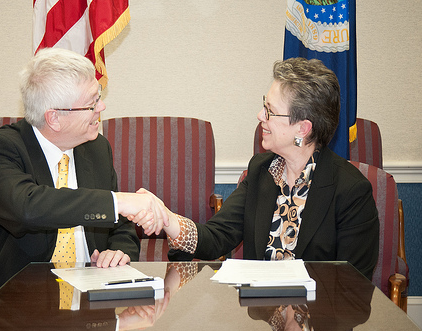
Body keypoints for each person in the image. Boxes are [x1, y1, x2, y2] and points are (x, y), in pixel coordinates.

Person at [0, 48, 168, 321]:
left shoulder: (96, 148)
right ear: (54, 118)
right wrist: (120, 200)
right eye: (92, 103)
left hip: (88, 310)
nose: (101, 108)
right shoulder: (1, 149)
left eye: (99, 97)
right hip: (12, 309)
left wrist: (119, 251)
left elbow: (121, 224)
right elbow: (28, 207)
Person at [132, 57, 379, 280]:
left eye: (270, 111)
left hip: (317, 326)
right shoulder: (262, 170)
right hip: (259, 323)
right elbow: (217, 237)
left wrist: (300, 326)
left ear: (302, 129)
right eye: (264, 105)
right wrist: (165, 217)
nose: (260, 115)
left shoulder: (351, 192)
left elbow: (351, 288)